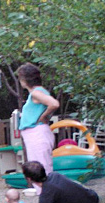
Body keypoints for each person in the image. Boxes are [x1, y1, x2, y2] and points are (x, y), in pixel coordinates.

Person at [3, 161, 102, 203]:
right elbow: (59, 196)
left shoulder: (46, 195)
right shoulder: (55, 175)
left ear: (29, 179)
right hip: (95, 199)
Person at [17, 63, 59, 194]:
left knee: (41, 169)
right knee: (38, 168)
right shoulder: (38, 92)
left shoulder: (36, 93)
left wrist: (43, 117)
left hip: (37, 133)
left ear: (25, 79)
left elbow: (54, 104)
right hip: (35, 134)